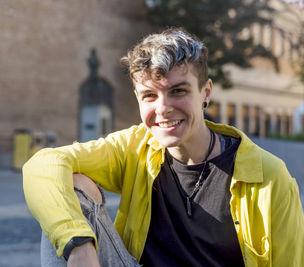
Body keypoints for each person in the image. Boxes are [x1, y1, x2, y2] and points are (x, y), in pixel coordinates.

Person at [23, 28, 304, 267]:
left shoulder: (267, 176)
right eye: (149, 95)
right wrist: (78, 244)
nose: (163, 109)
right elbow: (42, 165)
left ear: (205, 93)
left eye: (178, 91)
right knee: (70, 186)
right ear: (137, 98)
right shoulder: (134, 148)